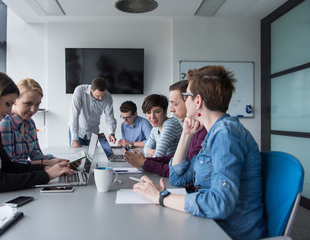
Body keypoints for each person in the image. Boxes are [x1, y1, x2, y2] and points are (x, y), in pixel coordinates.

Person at [133, 66, 265, 240]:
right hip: (210, 224)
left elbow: (220, 204)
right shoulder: (212, 134)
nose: (176, 107)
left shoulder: (226, 135)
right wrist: (186, 135)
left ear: (198, 101)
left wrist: (161, 196)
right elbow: (177, 178)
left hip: (228, 232)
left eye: (186, 96)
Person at [124, 81, 207, 177]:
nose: (152, 117)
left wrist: (144, 162)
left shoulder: (171, 125)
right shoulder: (157, 127)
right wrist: (143, 159)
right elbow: (147, 147)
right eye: (148, 112)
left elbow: (177, 171)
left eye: (175, 104)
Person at [0, 78, 79, 168]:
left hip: (24, 173)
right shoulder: (6, 122)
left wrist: (59, 161)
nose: (33, 109)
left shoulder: (30, 123)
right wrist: (47, 163)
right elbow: (10, 163)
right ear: (15, 101)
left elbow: (36, 155)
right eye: (28, 103)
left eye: (37, 104)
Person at [68, 77, 117, 148]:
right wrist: (74, 138)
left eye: (103, 95)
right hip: (77, 131)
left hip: (93, 133)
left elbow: (109, 117)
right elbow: (74, 114)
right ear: (91, 89)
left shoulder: (108, 96)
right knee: (76, 157)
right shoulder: (80, 90)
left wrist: (111, 133)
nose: (101, 98)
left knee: (91, 158)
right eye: (98, 95)